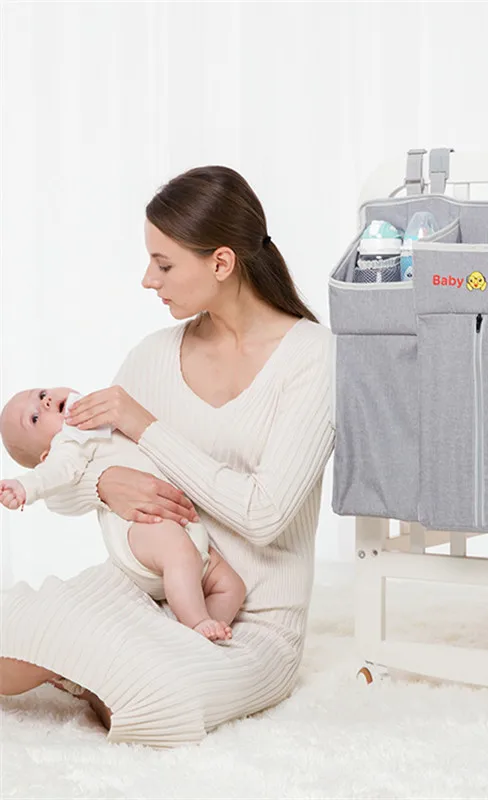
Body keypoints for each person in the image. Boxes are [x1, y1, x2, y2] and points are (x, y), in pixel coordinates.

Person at [0, 165, 335, 747]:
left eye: (164, 264)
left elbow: (264, 516)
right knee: (10, 625)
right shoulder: (152, 356)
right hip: (139, 591)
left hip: (249, 624)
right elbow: (67, 472)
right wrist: (105, 484)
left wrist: (146, 427)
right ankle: (91, 664)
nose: (148, 280)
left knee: (160, 700)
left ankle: (89, 667)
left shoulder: (313, 357)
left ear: (221, 263)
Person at [0, 386, 247, 642]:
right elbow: (56, 473)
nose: (46, 402)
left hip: (186, 530)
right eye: (35, 418)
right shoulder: (69, 442)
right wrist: (24, 486)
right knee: (181, 554)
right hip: (140, 530)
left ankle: (198, 638)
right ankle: (197, 621)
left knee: (232, 587)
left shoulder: (106, 415)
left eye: (41, 394)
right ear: (47, 454)